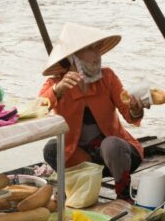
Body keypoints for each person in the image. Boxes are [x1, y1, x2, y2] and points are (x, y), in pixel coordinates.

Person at [38, 22, 151, 201]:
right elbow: (37, 111)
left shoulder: (108, 78)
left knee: (111, 144)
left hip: (117, 156)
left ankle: (123, 194)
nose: (98, 55)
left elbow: (129, 115)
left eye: (98, 49)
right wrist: (57, 91)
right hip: (84, 159)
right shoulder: (55, 84)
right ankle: (82, 185)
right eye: (91, 49)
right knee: (51, 148)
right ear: (73, 56)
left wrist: (136, 109)